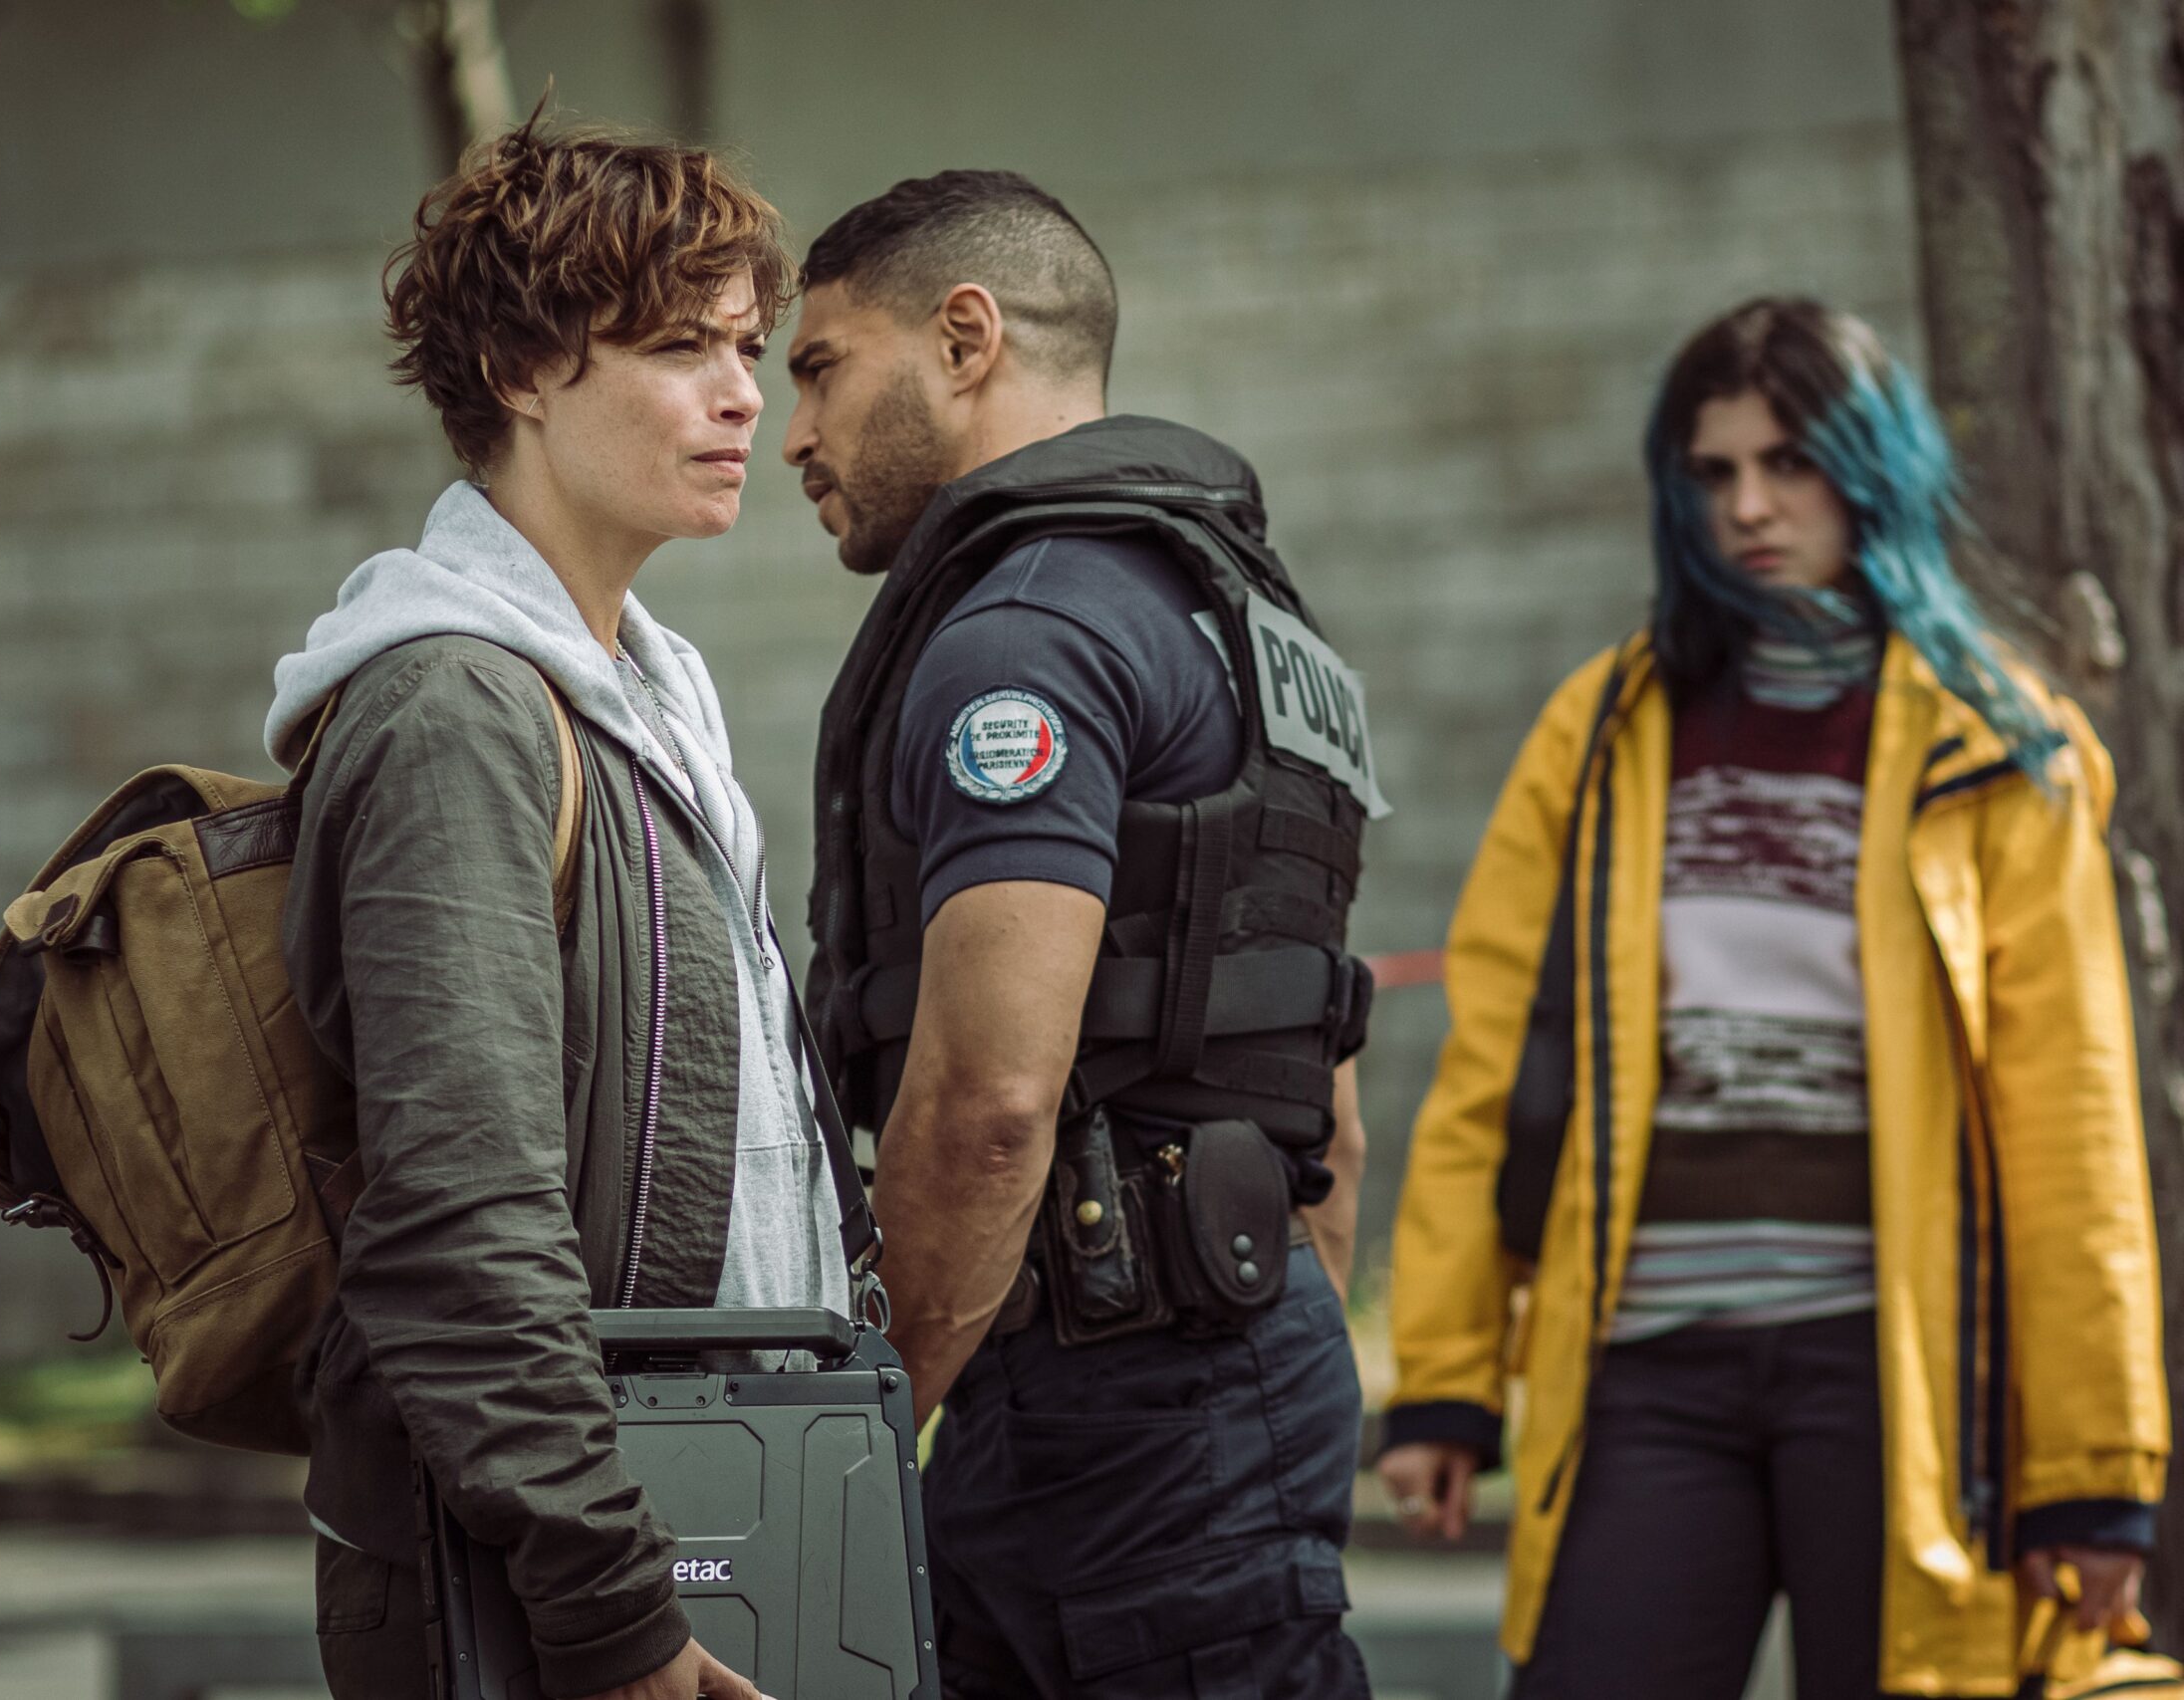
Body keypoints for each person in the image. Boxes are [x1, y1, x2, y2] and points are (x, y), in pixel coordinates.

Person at [1378, 297, 2166, 1698]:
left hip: (1899, 1372)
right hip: (1648, 1366)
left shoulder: (2002, 746)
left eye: (1790, 463)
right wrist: (1447, 1376)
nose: (1751, 505)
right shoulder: (1605, 728)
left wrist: (2094, 1475)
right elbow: (1492, 1063)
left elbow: (2075, 1121)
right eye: (1716, 471)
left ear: (1872, 472)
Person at [264, 119, 850, 1700]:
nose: (743, 393)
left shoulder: (644, 701)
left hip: (694, 1510)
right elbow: (459, 1212)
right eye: (680, 347)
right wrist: (609, 1603)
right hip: (541, 1581)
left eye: (749, 344)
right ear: (524, 366)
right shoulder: (452, 712)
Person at [787, 169, 1381, 1699]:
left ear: (965, 337)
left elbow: (989, 1107)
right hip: (1219, 1349)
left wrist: (855, 1444)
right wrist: (1264, 1342)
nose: (794, 434)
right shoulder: (1238, 614)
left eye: (820, 369)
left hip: (1106, 1392)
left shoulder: (1023, 635)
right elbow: (1323, 1083)